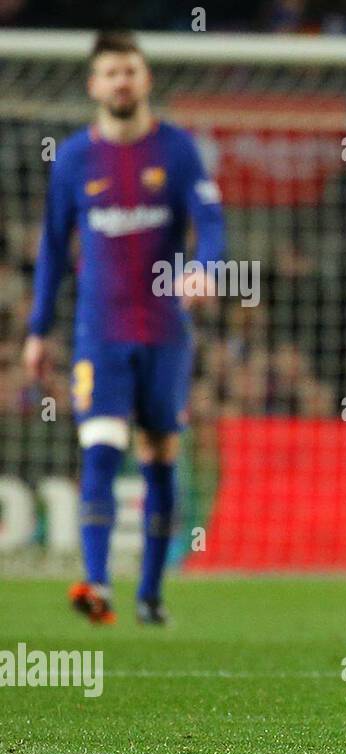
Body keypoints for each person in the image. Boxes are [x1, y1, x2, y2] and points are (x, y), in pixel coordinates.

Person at [23, 30, 225, 625]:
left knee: (161, 449)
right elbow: (54, 251)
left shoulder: (179, 150)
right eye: (111, 73)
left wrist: (207, 268)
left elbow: (211, 222)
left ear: (146, 79)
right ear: (94, 85)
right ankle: (97, 584)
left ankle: (151, 593)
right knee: (101, 447)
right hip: (99, 332)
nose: (121, 82)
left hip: (164, 332)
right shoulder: (74, 159)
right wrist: (38, 329)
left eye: (130, 71)